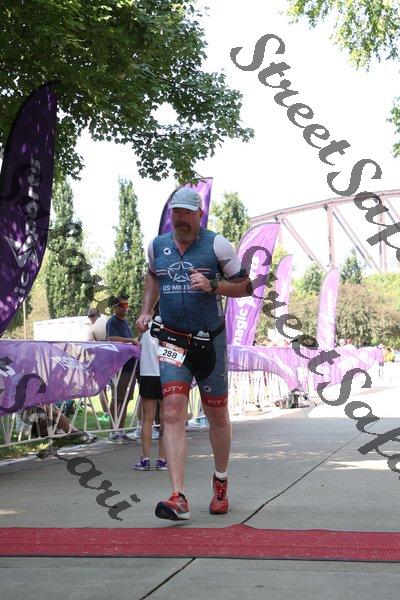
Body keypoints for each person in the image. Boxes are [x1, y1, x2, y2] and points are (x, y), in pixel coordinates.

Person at [136, 187, 251, 521]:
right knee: (172, 410)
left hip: (209, 341)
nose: (182, 219)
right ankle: (178, 496)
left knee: (217, 415)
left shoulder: (217, 245)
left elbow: (246, 286)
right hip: (173, 341)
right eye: (177, 212)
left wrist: (214, 285)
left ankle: (220, 480)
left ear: (200, 215)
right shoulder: (157, 247)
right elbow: (153, 277)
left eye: (188, 213)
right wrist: (146, 310)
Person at [133, 325, 167, 471]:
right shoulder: (169, 327)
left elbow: (139, 345)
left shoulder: (144, 328)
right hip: (165, 375)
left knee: (147, 419)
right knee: (165, 420)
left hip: (147, 375)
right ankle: (162, 459)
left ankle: (145, 459)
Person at [106, 294, 139, 444]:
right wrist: (131, 340)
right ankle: (113, 431)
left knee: (126, 399)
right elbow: (112, 338)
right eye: (122, 305)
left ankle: (121, 429)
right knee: (117, 398)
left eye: (127, 305)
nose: (125, 308)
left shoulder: (125, 322)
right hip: (119, 367)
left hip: (130, 367)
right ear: (115, 307)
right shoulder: (112, 321)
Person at [86, 307, 110, 419]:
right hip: (114, 357)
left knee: (102, 388)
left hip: (101, 359)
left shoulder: (93, 327)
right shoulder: (108, 321)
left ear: (91, 317)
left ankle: (106, 414)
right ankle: (116, 412)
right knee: (115, 387)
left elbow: (88, 346)